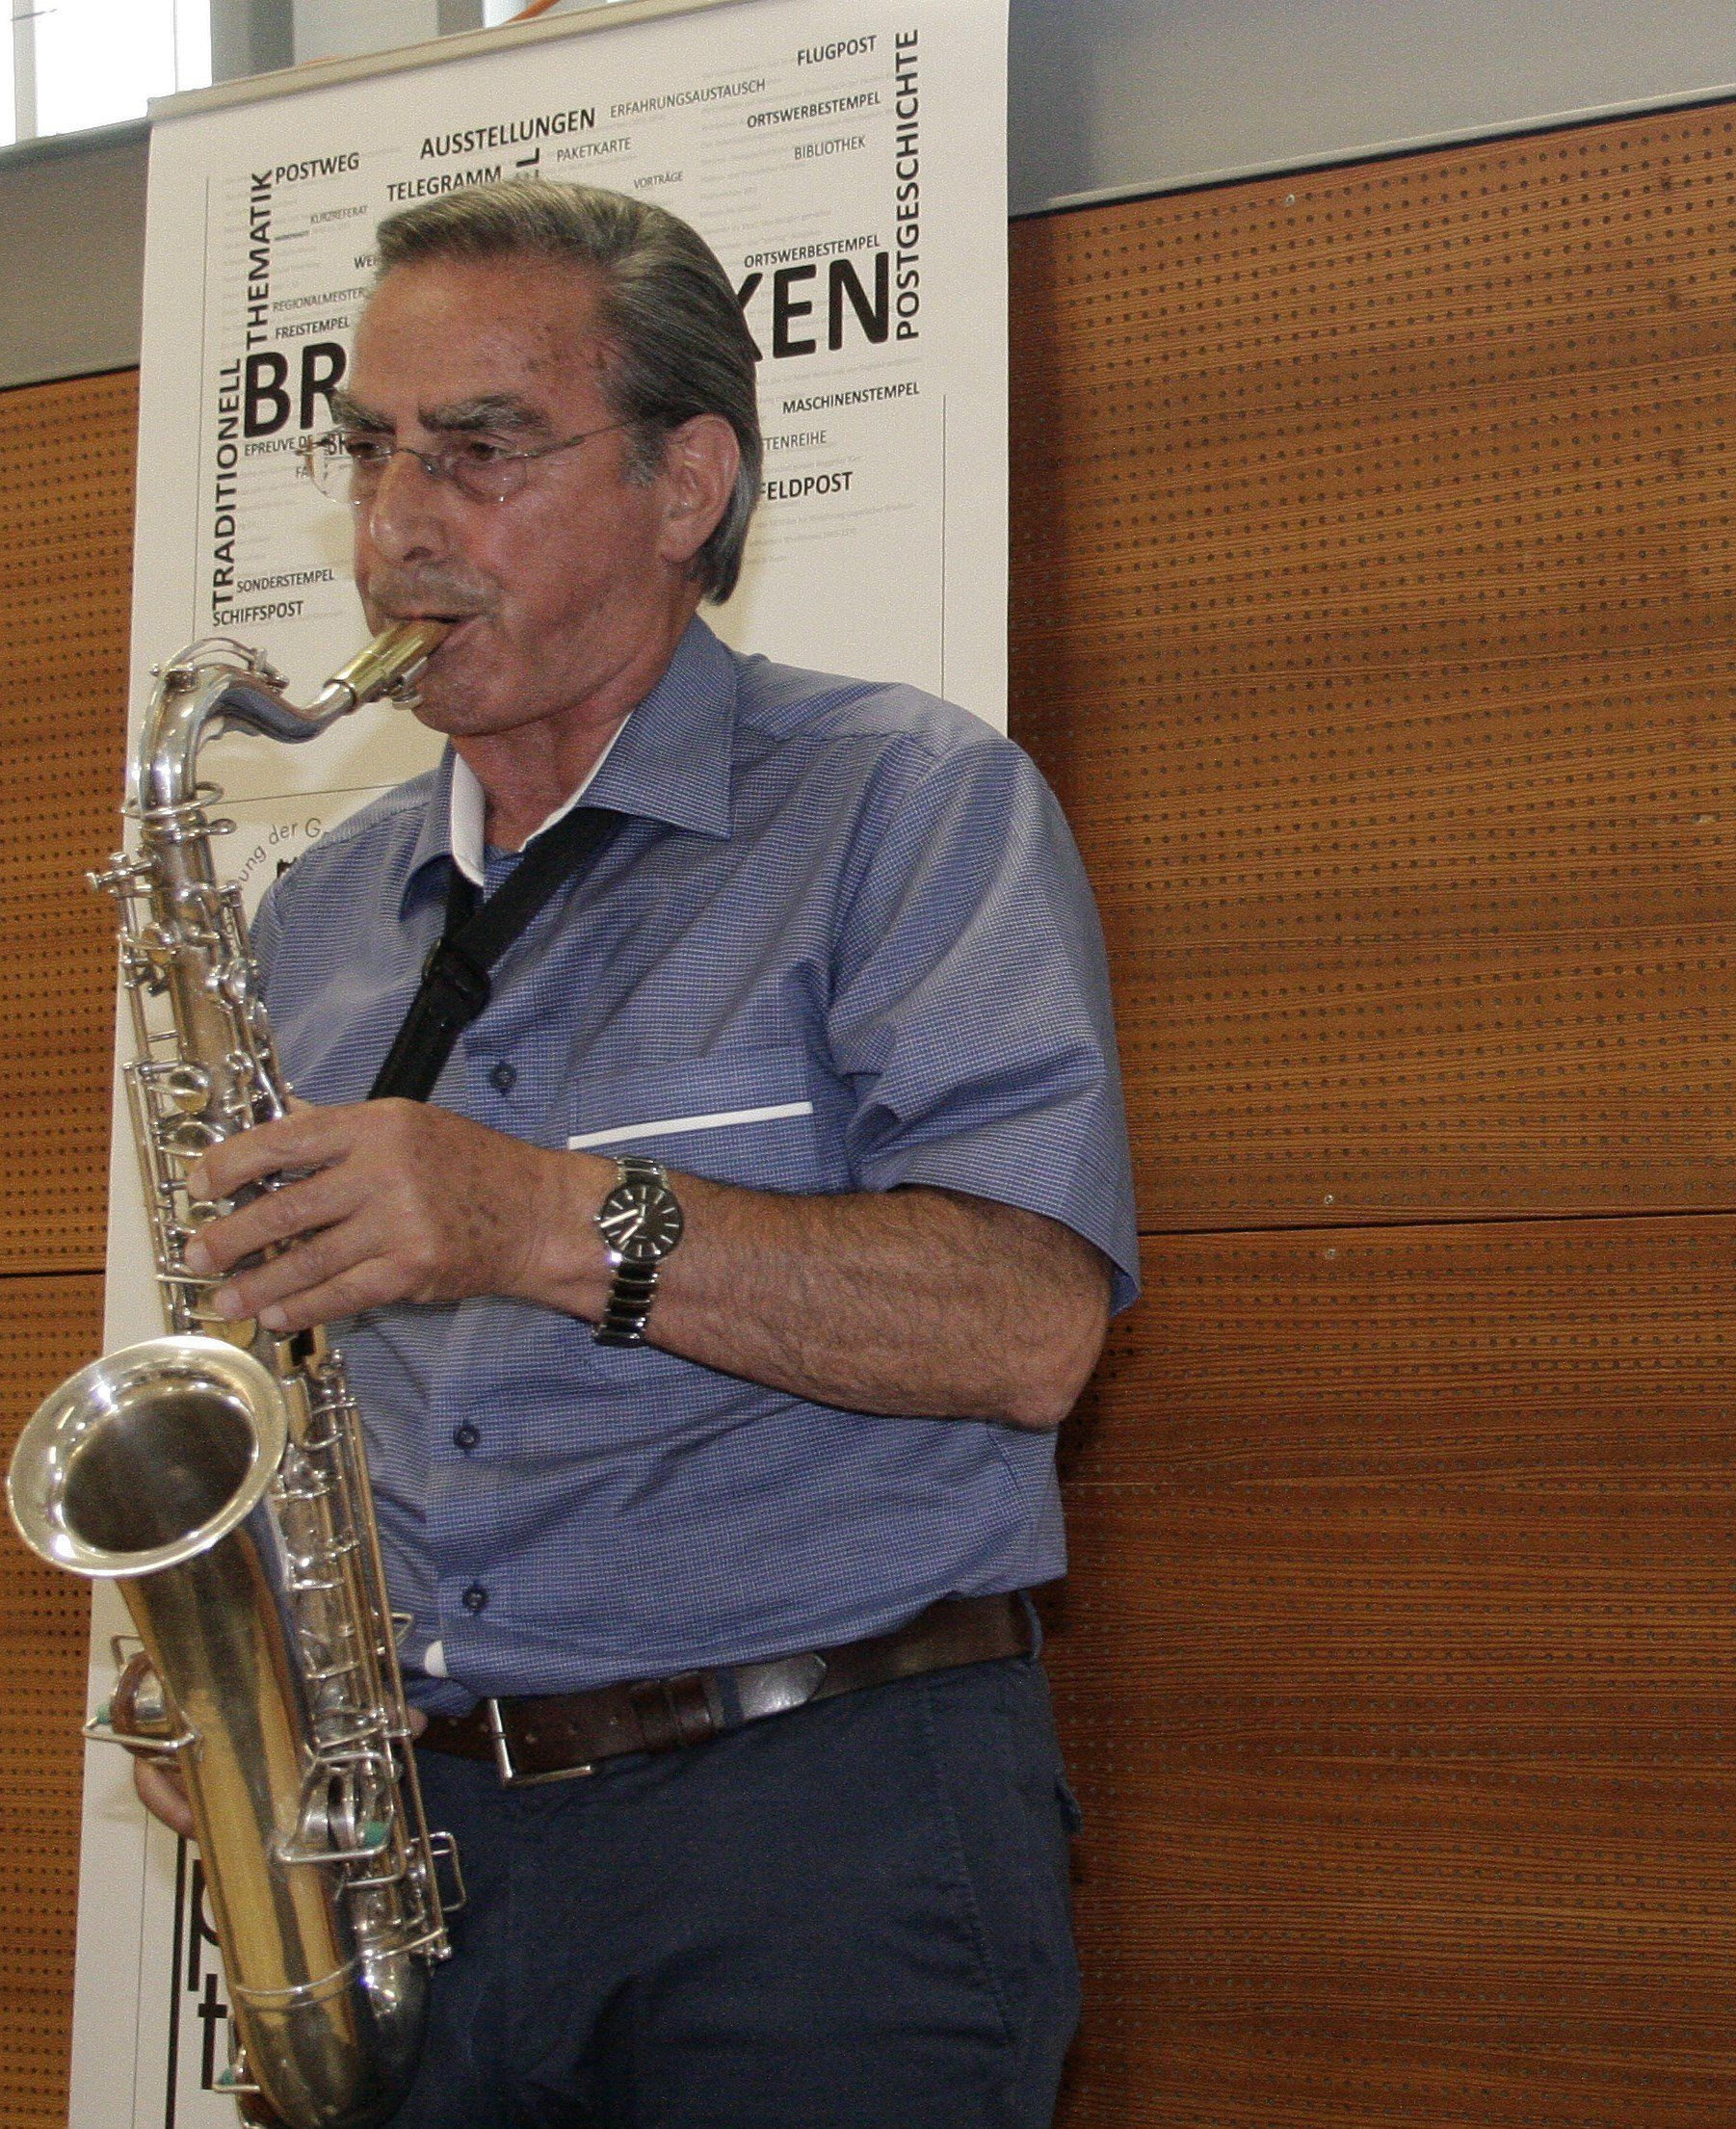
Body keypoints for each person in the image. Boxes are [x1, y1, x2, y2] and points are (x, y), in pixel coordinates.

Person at [141, 177, 1136, 2127]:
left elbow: (1029, 1327)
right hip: (417, 1857)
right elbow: (281, 1376)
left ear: (688, 484)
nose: (397, 524)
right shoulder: (320, 912)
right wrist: (231, 1676)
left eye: (480, 449)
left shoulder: (906, 808)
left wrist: (534, 1216)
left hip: (815, 1847)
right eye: (369, 450)